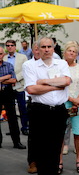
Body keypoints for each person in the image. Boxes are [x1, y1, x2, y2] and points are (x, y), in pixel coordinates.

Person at [23, 37, 71, 175]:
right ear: (38, 48)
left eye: (49, 47)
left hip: (58, 111)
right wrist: (56, 86)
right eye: (43, 47)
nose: (46, 50)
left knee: (56, 148)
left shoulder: (61, 63)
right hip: (40, 111)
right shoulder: (30, 66)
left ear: (53, 47)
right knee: (41, 149)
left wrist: (43, 82)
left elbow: (66, 81)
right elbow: (31, 89)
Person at [58, 41, 79, 174]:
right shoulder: (59, 66)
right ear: (64, 52)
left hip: (78, 103)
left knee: (78, 133)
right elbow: (58, 86)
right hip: (63, 102)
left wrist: (78, 100)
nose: (72, 53)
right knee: (61, 133)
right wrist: (71, 99)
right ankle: (59, 161)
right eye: (69, 50)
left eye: (74, 51)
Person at [0, 46, 26, 149]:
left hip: (8, 92)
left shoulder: (9, 65)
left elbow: (14, 80)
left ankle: (17, 142)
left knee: (13, 118)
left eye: (1, 54)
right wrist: (6, 77)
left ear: (4, 54)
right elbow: (10, 78)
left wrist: (1, 79)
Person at [4, 40, 29, 135]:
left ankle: (25, 127)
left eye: (11, 45)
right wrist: (8, 80)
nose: (10, 47)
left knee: (22, 108)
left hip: (19, 86)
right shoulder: (4, 57)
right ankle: (13, 129)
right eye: (8, 45)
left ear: (15, 46)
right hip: (7, 86)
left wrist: (15, 78)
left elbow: (25, 70)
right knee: (10, 110)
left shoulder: (22, 57)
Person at [24, 41, 40, 174]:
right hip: (33, 102)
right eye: (36, 49)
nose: (39, 51)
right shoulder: (28, 65)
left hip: (50, 104)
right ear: (33, 51)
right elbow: (32, 87)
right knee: (34, 135)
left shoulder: (53, 63)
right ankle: (32, 161)